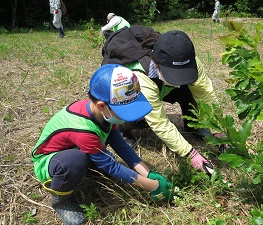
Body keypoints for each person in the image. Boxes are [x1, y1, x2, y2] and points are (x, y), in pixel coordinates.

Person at [31, 64, 173, 225]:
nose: (127, 117)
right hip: (51, 161)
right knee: (75, 161)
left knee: (101, 161)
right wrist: (152, 186)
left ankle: (85, 167)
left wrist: (147, 173)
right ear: (101, 105)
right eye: (123, 111)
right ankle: (61, 200)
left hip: (80, 149)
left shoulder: (104, 113)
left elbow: (120, 145)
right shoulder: (83, 129)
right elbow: (111, 166)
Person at [102, 26, 225, 177]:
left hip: (161, 84)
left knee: (189, 89)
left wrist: (218, 130)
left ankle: (193, 124)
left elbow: (206, 95)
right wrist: (191, 154)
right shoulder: (139, 75)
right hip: (135, 89)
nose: (179, 80)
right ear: (156, 64)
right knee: (133, 108)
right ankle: (124, 130)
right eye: (173, 75)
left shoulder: (189, 60)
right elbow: (159, 122)